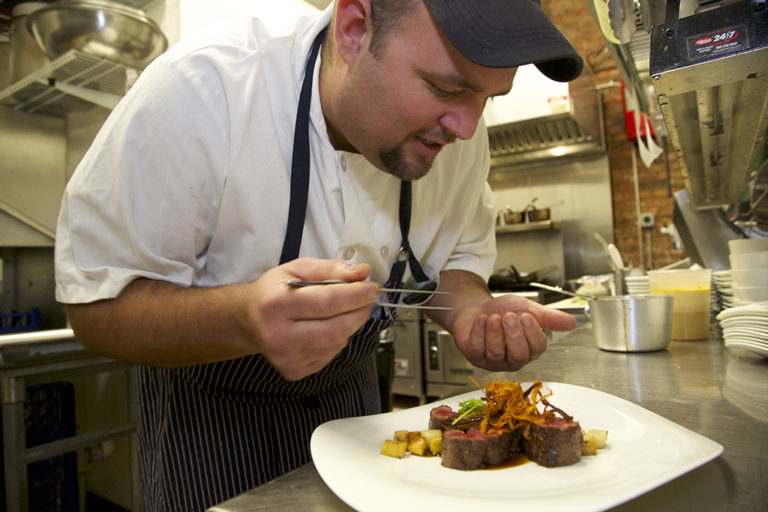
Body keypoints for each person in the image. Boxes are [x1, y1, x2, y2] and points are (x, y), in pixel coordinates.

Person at [54, 0, 582, 509]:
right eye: (445, 87)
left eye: (490, 98)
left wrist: (470, 311)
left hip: (352, 405)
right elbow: (98, 306)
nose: (466, 127)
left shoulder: (461, 131)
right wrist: (243, 319)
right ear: (354, 28)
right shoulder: (205, 89)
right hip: (210, 421)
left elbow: (454, 261)